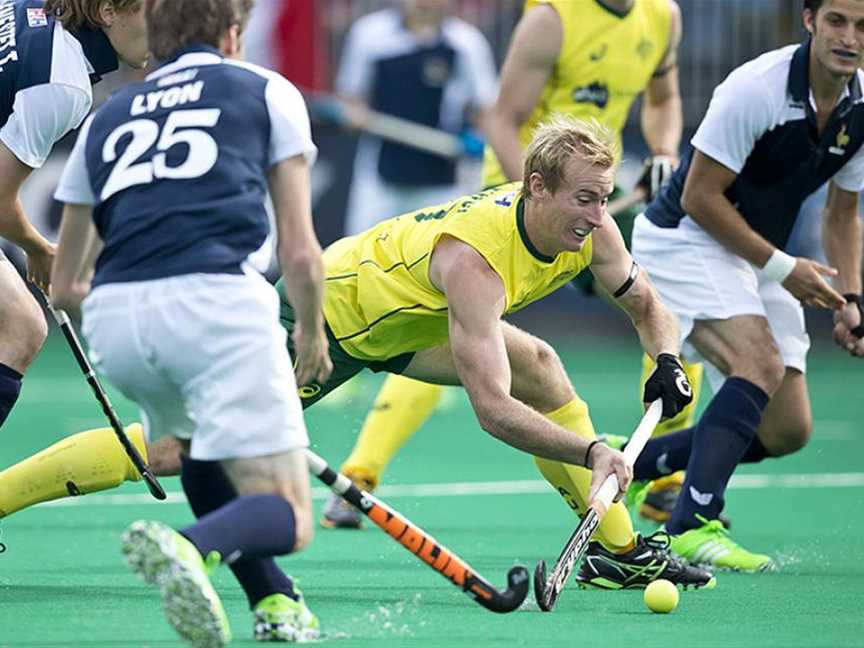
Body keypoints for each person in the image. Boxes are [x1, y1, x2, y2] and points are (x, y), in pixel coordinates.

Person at [5, 115, 716, 592]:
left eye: (602, 200)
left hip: (406, 318)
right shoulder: (475, 263)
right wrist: (594, 449)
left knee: (542, 367)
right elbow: (492, 411)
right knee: (167, 451)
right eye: (584, 201)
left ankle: (615, 552)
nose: (598, 216)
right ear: (536, 188)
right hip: (327, 321)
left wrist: (665, 362)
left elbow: (648, 305)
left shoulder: (595, 232)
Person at [322, 0, 698, 531]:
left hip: (589, 191)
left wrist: (661, 150)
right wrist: (525, 194)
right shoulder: (552, 18)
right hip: (526, 199)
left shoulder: (663, 17)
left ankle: (662, 483)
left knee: (664, 309)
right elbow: (502, 117)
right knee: (457, 328)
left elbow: (664, 97)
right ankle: (362, 473)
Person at [49, 0, 331, 644]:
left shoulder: (109, 116)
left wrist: (146, 314)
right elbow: (300, 252)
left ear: (158, 41)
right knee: (290, 517)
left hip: (117, 322)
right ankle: (185, 542)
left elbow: (66, 288)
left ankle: (277, 604)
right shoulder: (264, 89)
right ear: (232, 34)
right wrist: (309, 333)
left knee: (197, 451)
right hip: (217, 307)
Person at [624, 0, 864, 571]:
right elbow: (698, 198)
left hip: (755, 252)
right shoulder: (754, 89)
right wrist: (784, 269)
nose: (849, 38)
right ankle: (690, 524)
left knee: (786, 430)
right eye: (837, 21)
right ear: (809, 20)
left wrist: (853, 299)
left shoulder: (861, 108)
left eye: (862, 26)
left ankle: (630, 463)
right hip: (684, 237)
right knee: (757, 362)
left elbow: (842, 215)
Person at [0, 0, 148, 432]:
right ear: (107, 12)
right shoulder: (61, 84)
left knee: (22, 326)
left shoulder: (26, 9)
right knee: (20, 326)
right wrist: (38, 248)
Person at [335, 0, 497, 236]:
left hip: (444, 180)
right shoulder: (368, 34)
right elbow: (350, 97)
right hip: (380, 177)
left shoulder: (467, 43)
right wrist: (354, 114)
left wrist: (477, 139)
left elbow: (485, 109)